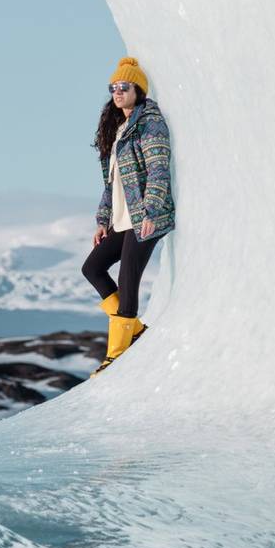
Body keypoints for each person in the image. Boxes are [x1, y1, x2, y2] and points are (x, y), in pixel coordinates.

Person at [82, 56, 175, 377]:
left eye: (124, 86)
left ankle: (117, 352)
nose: (117, 92)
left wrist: (151, 209)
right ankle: (133, 328)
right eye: (113, 87)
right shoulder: (119, 129)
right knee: (92, 267)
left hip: (147, 216)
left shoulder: (150, 122)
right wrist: (102, 220)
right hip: (123, 219)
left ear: (138, 89)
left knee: (128, 278)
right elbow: (112, 183)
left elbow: (158, 169)